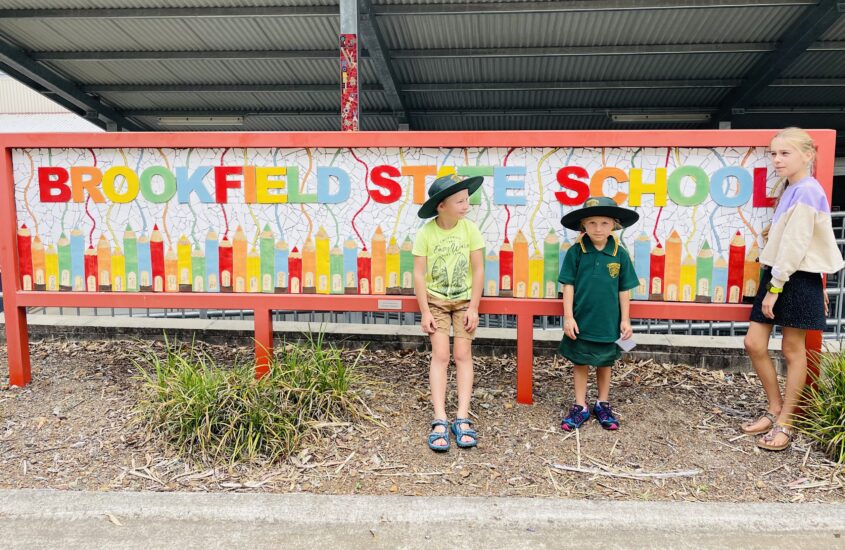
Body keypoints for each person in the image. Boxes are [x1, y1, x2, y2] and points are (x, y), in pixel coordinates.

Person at [742, 127, 844, 451]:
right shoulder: (792, 188)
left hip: (791, 277)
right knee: (754, 343)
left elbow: (797, 244)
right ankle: (774, 408)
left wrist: (775, 288)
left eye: (784, 153)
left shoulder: (809, 191)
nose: (776, 159)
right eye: (773, 153)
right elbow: (802, 242)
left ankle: (786, 421)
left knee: (792, 350)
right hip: (781, 273)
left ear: (808, 155)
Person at [413, 174, 485, 452]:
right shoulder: (426, 233)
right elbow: (419, 275)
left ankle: (462, 417)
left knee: (462, 355)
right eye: (460, 201)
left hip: (465, 302)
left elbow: (478, 269)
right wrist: (424, 311)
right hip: (437, 302)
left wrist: (475, 307)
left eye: (467, 200)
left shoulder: (470, 230)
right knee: (441, 356)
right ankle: (440, 417)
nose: (466, 205)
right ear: (441, 205)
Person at [557, 196, 640, 431]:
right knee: (580, 361)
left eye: (604, 223)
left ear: (614, 225)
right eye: (592, 223)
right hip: (582, 321)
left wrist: (625, 320)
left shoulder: (620, 254)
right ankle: (580, 405)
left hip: (609, 322)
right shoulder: (576, 252)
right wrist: (569, 317)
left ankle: (602, 403)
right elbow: (568, 285)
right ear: (583, 225)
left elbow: (624, 288)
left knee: (605, 362)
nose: (598, 228)